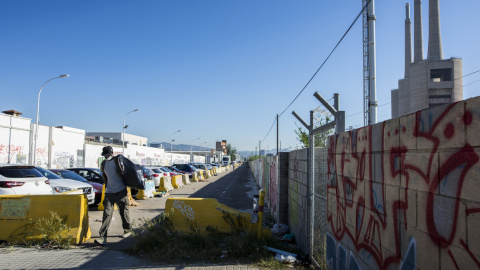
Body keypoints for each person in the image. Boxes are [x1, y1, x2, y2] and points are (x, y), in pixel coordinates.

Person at [94, 146, 131, 245]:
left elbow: (124, 172)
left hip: (121, 192)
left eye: (107, 154)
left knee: (124, 213)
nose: (106, 156)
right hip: (109, 193)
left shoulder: (117, 161)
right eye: (104, 155)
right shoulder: (103, 163)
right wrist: (106, 189)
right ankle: (103, 237)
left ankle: (127, 230)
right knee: (106, 214)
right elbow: (104, 177)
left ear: (111, 153)